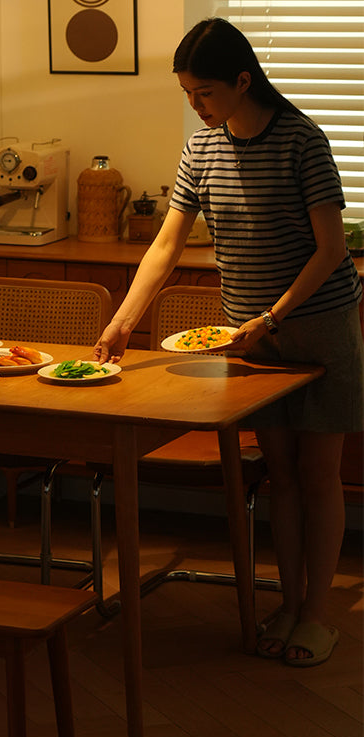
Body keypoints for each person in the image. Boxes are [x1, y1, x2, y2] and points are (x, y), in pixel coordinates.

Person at [94, 17, 363, 667]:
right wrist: (125, 319)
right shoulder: (202, 150)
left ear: (244, 81)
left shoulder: (302, 141)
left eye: (206, 93)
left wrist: (272, 316)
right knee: (281, 478)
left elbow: (333, 251)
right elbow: (167, 244)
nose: (197, 106)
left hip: (317, 331)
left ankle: (316, 613)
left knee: (320, 476)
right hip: (248, 339)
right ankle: (286, 601)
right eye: (188, 94)